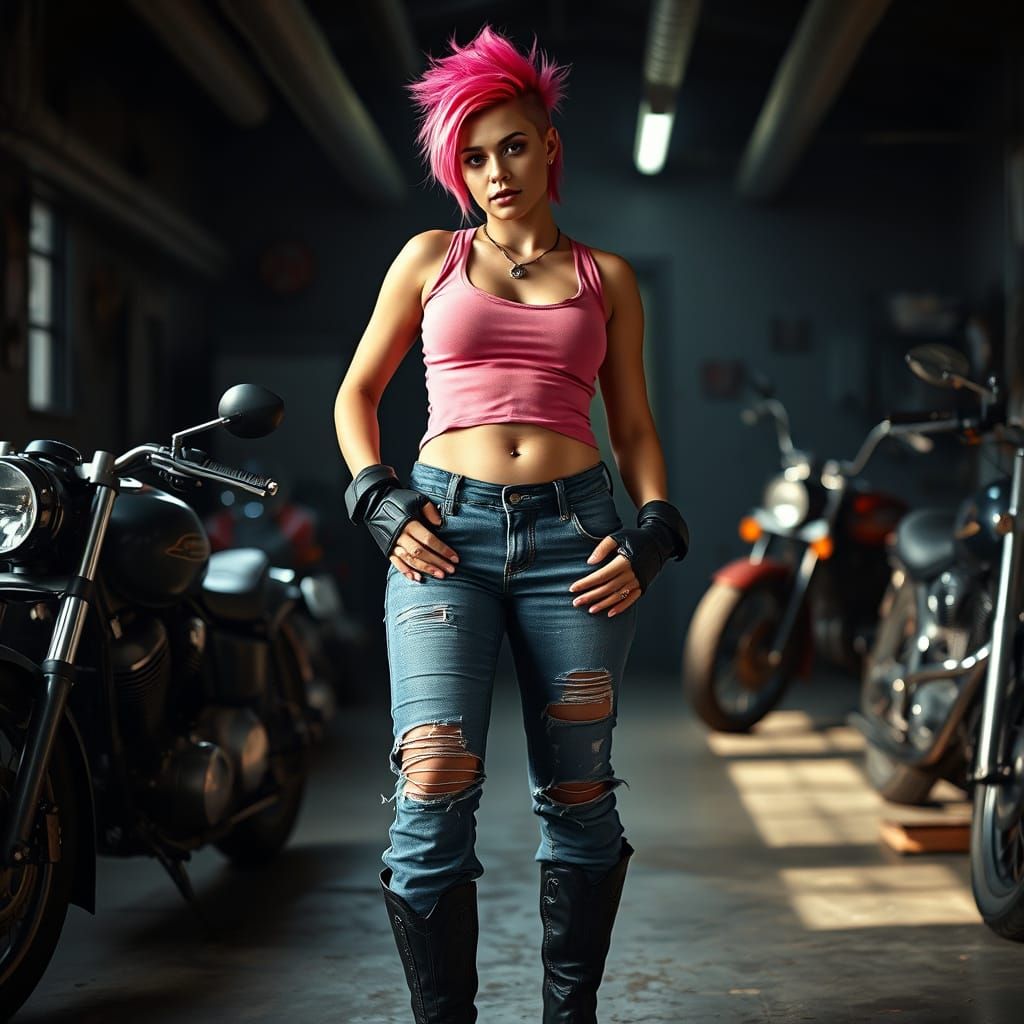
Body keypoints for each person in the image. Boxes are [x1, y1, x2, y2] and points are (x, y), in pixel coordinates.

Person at [334, 25, 689, 1024]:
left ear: (550, 148)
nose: (495, 171)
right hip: (443, 534)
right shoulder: (426, 260)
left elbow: (634, 426)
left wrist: (653, 533)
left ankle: (566, 1017)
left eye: (513, 146)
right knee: (434, 774)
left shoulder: (604, 277)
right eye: (473, 156)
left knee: (580, 793)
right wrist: (376, 494)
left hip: (577, 540)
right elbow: (355, 397)